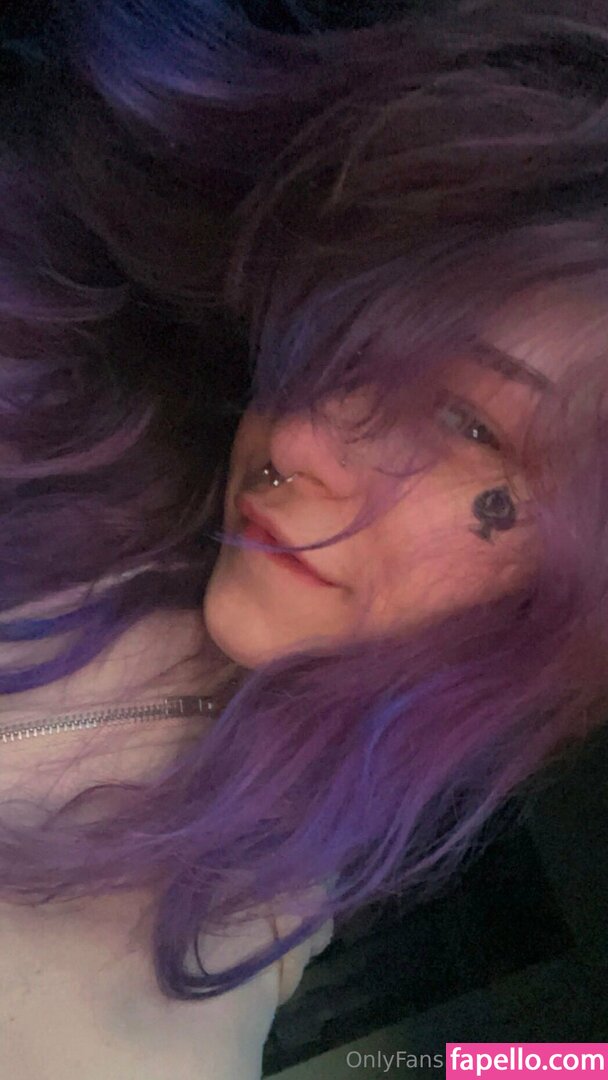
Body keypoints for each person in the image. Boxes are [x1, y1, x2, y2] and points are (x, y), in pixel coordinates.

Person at [1, 0, 608, 1075]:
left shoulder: (143, 1005)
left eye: (468, 425)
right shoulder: (94, 398)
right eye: (344, 336)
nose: (300, 436)